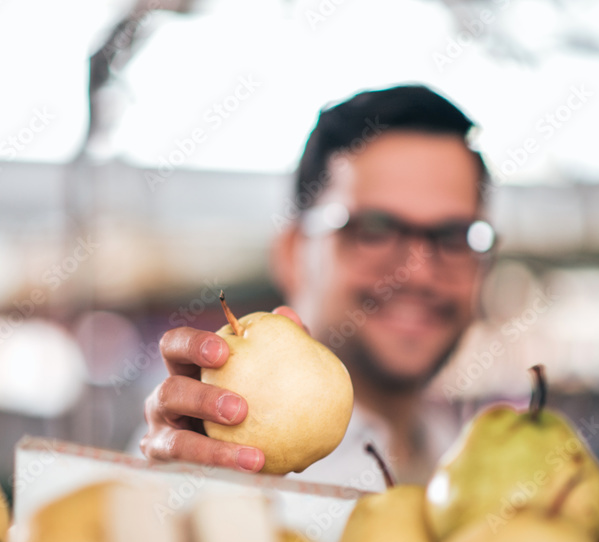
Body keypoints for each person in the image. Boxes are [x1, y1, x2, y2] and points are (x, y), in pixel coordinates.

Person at [139, 84, 496, 491]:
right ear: (293, 252)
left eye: (453, 236)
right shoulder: (204, 454)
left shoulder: (471, 464)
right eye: (375, 230)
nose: (417, 273)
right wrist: (178, 489)